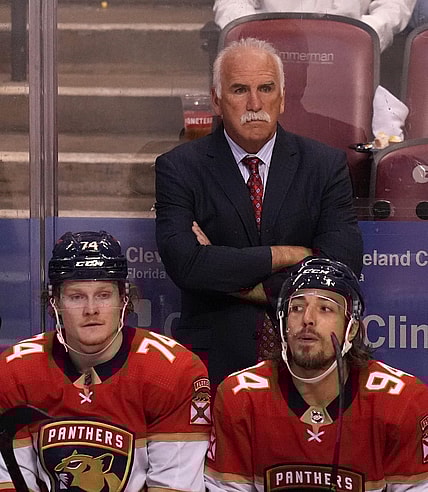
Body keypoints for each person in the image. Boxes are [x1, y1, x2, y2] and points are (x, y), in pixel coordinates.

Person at [155, 38, 363, 386]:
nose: (255, 103)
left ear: (282, 98)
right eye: (240, 90)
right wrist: (289, 255)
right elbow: (187, 266)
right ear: (217, 101)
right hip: (214, 364)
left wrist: (224, 270)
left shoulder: (325, 166)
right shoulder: (179, 168)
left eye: (266, 89)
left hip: (310, 363)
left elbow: (339, 268)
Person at [0, 230, 211, 491]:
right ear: (54, 302)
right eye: (76, 296)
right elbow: (10, 482)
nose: (91, 309)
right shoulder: (13, 371)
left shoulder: (174, 371)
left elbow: (173, 487)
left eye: (103, 295)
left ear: (124, 298)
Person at [204, 257, 428, 491]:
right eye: (296, 307)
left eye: (325, 308)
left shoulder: (403, 400)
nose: (307, 319)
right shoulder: (241, 396)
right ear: (282, 324)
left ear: (351, 329)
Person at [213, 0, 416, 53]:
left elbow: (394, 5)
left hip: (349, 52)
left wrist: (368, 32)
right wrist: (259, 34)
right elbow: (231, 3)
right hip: (275, 49)